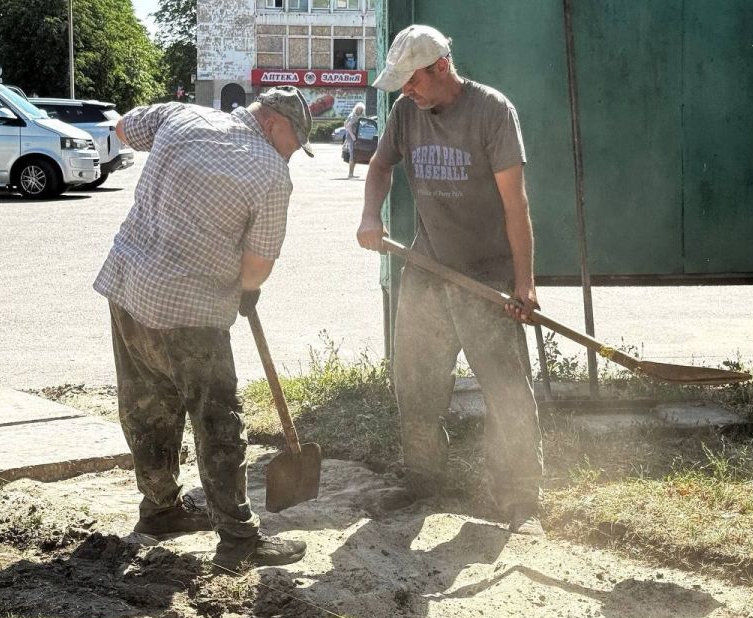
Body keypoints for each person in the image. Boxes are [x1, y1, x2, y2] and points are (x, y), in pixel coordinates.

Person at [93, 86, 314, 571]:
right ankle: (238, 540)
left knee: (146, 403)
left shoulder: (181, 115)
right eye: (294, 144)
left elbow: (122, 129)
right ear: (276, 124)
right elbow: (256, 269)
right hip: (191, 308)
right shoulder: (272, 173)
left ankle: (161, 509)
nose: (291, 155)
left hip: (129, 286)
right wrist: (246, 287)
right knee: (218, 421)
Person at [355, 25, 544, 534]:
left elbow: (515, 204)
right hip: (427, 268)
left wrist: (523, 283)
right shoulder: (404, 113)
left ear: (441, 67)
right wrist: (371, 216)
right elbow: (378, 166)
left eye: (412, 81)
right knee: (415, 383)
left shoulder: (492, 111)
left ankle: (519, 497)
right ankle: (423, 481)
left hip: (486, 276)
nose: (407, 92)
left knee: (505, 390)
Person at [343, 101, 365, 178]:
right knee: (353, 155)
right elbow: (348, 126)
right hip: (352, 137)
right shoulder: (354, 116)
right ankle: (350, 174)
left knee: (354, 154)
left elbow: (345, 123)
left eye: (361, 109)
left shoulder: (356, 115)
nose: (359, 111)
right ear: (356, 109)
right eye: (358, 109)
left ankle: (351, 173)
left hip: (352, 137)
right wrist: (352, 136)